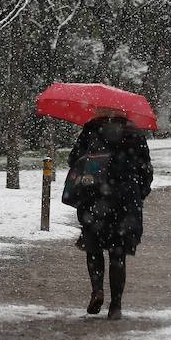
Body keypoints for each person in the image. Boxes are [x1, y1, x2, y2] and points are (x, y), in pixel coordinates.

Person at [65, 112, 153, 320]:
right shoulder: (134, 133)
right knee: (118, 254)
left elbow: (73, 159)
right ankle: (116, 305)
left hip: (94, 198)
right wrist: (139, 193)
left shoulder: (92, 128)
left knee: (94, 248)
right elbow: (146, 170)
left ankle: (97, 290)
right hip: (125, 201)